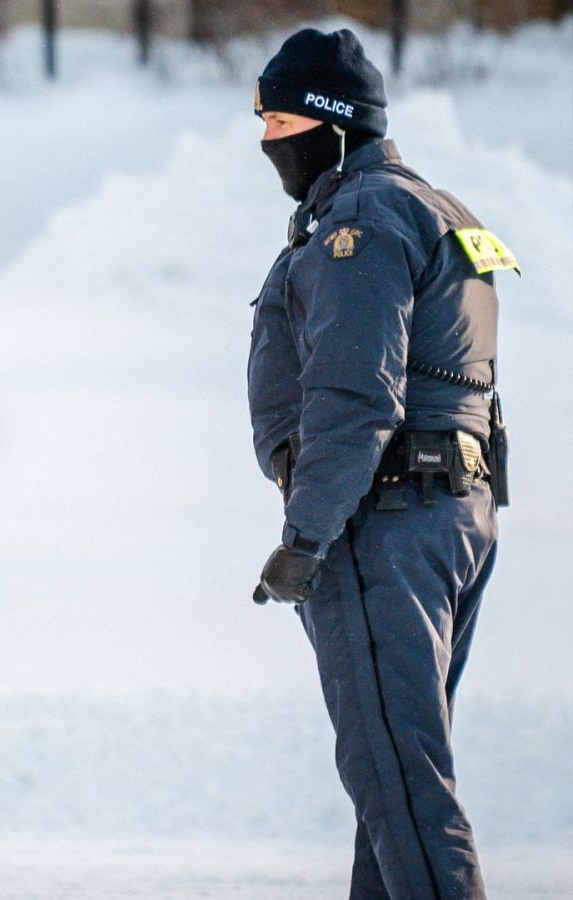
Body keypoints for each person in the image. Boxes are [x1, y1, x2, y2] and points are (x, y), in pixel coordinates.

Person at [247, 28, 513, 900]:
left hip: (382, 524)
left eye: (279, 117)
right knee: (393, 786)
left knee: (402, 791)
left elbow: (356, 396)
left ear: (333, 123)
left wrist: (307, 535)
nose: (265, 140)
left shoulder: (359, 219)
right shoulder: (442, 208)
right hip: (453, 514)